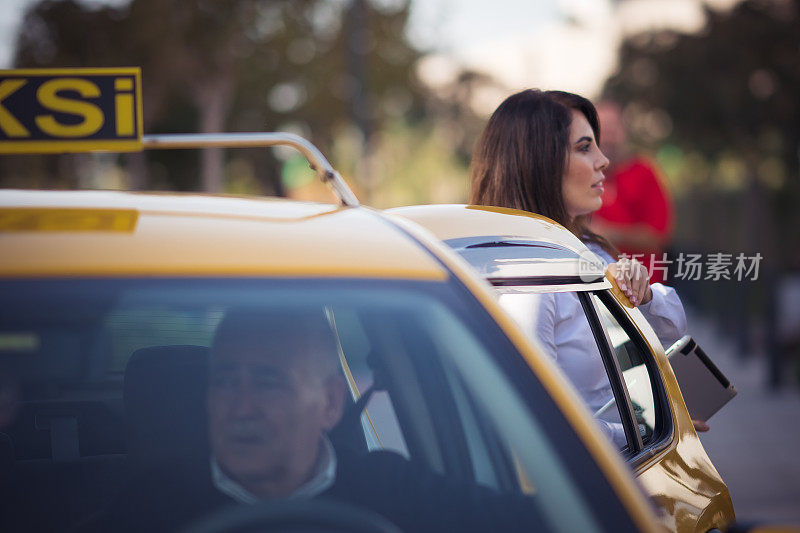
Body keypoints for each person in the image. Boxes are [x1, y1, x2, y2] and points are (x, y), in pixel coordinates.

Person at [77, 307, 544, 532]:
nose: (240, 406)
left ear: (329, 404)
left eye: (268, 382)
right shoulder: (150, 506)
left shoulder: (395, 491)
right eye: (223, 381)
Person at [469, 89, 708, 438]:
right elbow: (541, 423)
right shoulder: (527, 278)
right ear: (539, 161)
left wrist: (645, 294)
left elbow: (670, 327)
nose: (602, 160)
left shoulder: (588, 250)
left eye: (599, 142)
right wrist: (648, 431)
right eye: (584, 147)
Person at [591, 101, 673, 284]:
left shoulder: (645, 172)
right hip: (596, 289)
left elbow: (659, 237)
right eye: (602, 129)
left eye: (613, 128)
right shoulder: (584, 174)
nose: (608, 136)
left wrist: (609, 233)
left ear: (624, 131)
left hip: (644, 295)